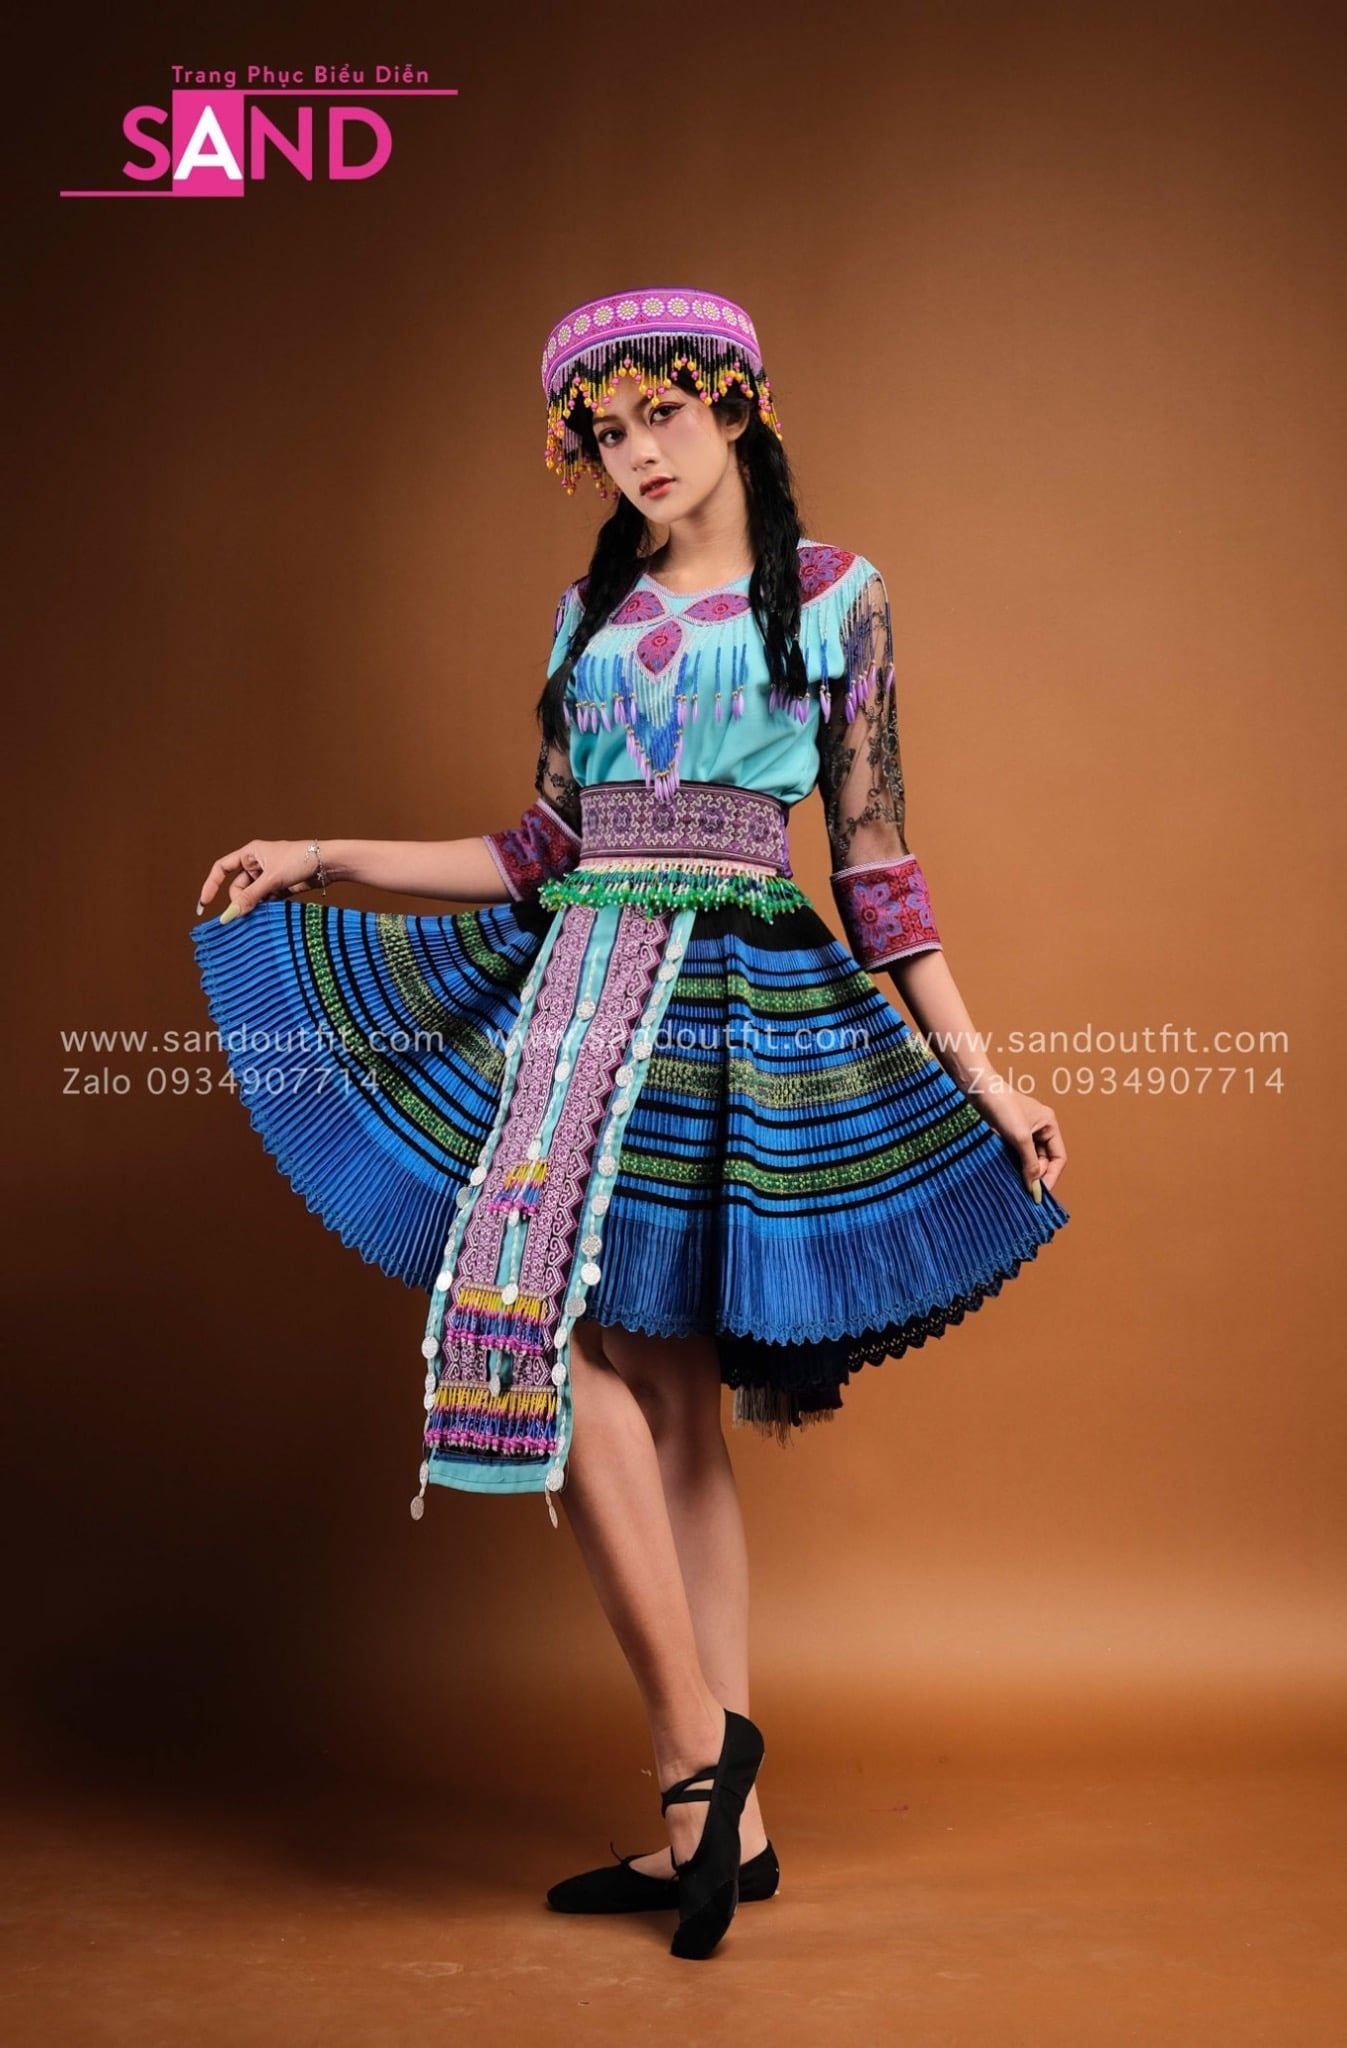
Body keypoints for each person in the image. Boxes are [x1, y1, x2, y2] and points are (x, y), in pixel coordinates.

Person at [190, 285, 1071, 1960]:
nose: (638, 453)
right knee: (552, 1344)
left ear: (737, 405)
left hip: (728, 998)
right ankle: (709, 1779)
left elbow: (875, 864)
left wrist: (984, 1073)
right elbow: (536, 853)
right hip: (580, 991)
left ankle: (707, 1796)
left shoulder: (840, 598)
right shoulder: (585, 616)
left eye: (663, 413)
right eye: (606, 433)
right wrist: (318, 857)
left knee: (672, 1397)